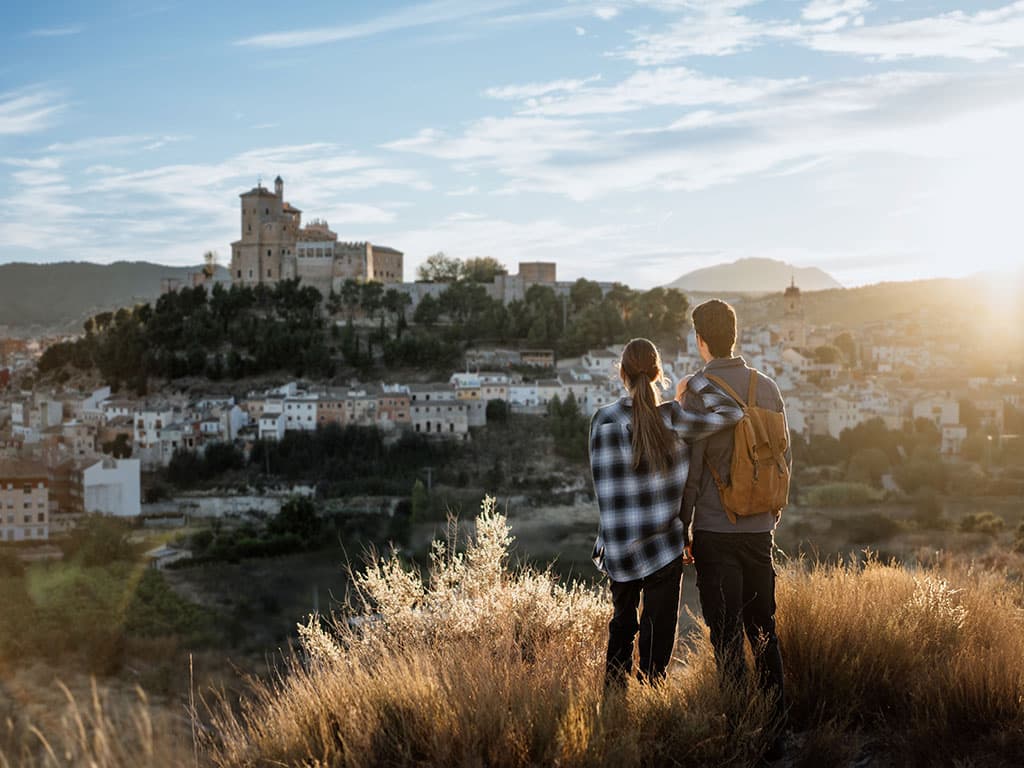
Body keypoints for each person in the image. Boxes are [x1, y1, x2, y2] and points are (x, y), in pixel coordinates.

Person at [590, 337, 743, 688]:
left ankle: (612, 709)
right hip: (663, 549)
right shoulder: (673, 418)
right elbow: (733, 413)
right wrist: (696, 381)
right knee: (657, 640)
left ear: (622, 374)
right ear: (658, 373)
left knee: (621, 628)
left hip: (619, 547)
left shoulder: (602, 421)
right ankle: (651, 702)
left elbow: (603, 487)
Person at [680, 299, 790, 758]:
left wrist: (683, 526)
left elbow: (691, 467)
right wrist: (771, 515)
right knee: (763, 628)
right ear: (736, 336)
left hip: (714, 529)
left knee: (724, 634)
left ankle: (738, 728)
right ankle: (777, 732)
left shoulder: (699, 390)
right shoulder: (767, 387)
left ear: (701, 340)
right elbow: (783, 457)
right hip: (759, 529)